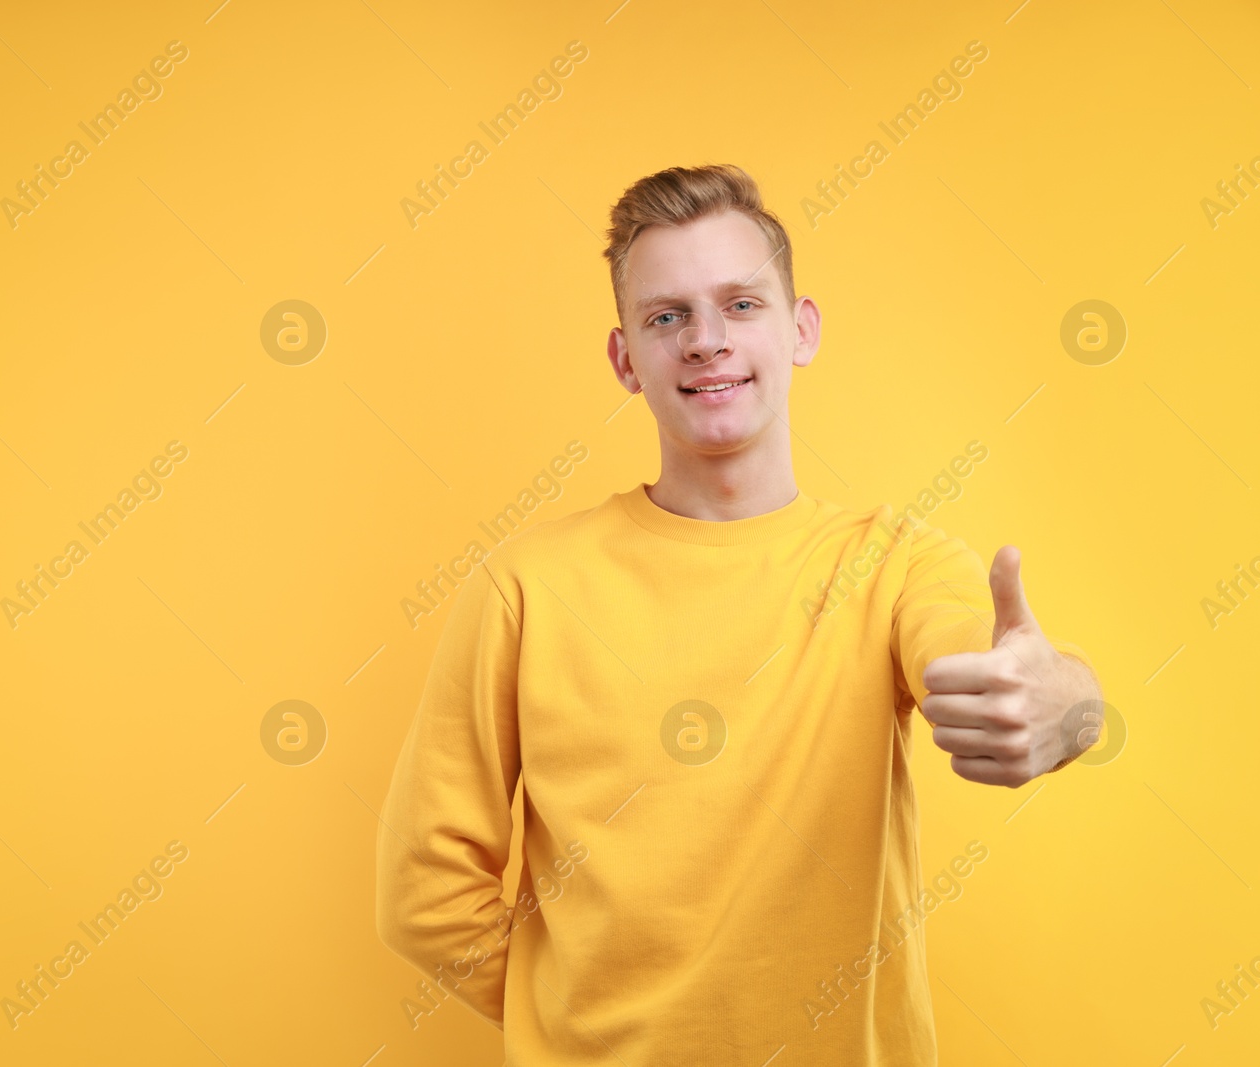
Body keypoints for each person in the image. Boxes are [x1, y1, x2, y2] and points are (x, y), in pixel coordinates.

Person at [374, 163, 1102, 1065]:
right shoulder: (525, 585)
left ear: (801, 331)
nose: (706, 340)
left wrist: (1063, 703)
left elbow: (1004, 662)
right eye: (666, 315)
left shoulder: (896, 563)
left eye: (742, 305)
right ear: (624, 360)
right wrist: (567, 1021)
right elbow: (425, 887)